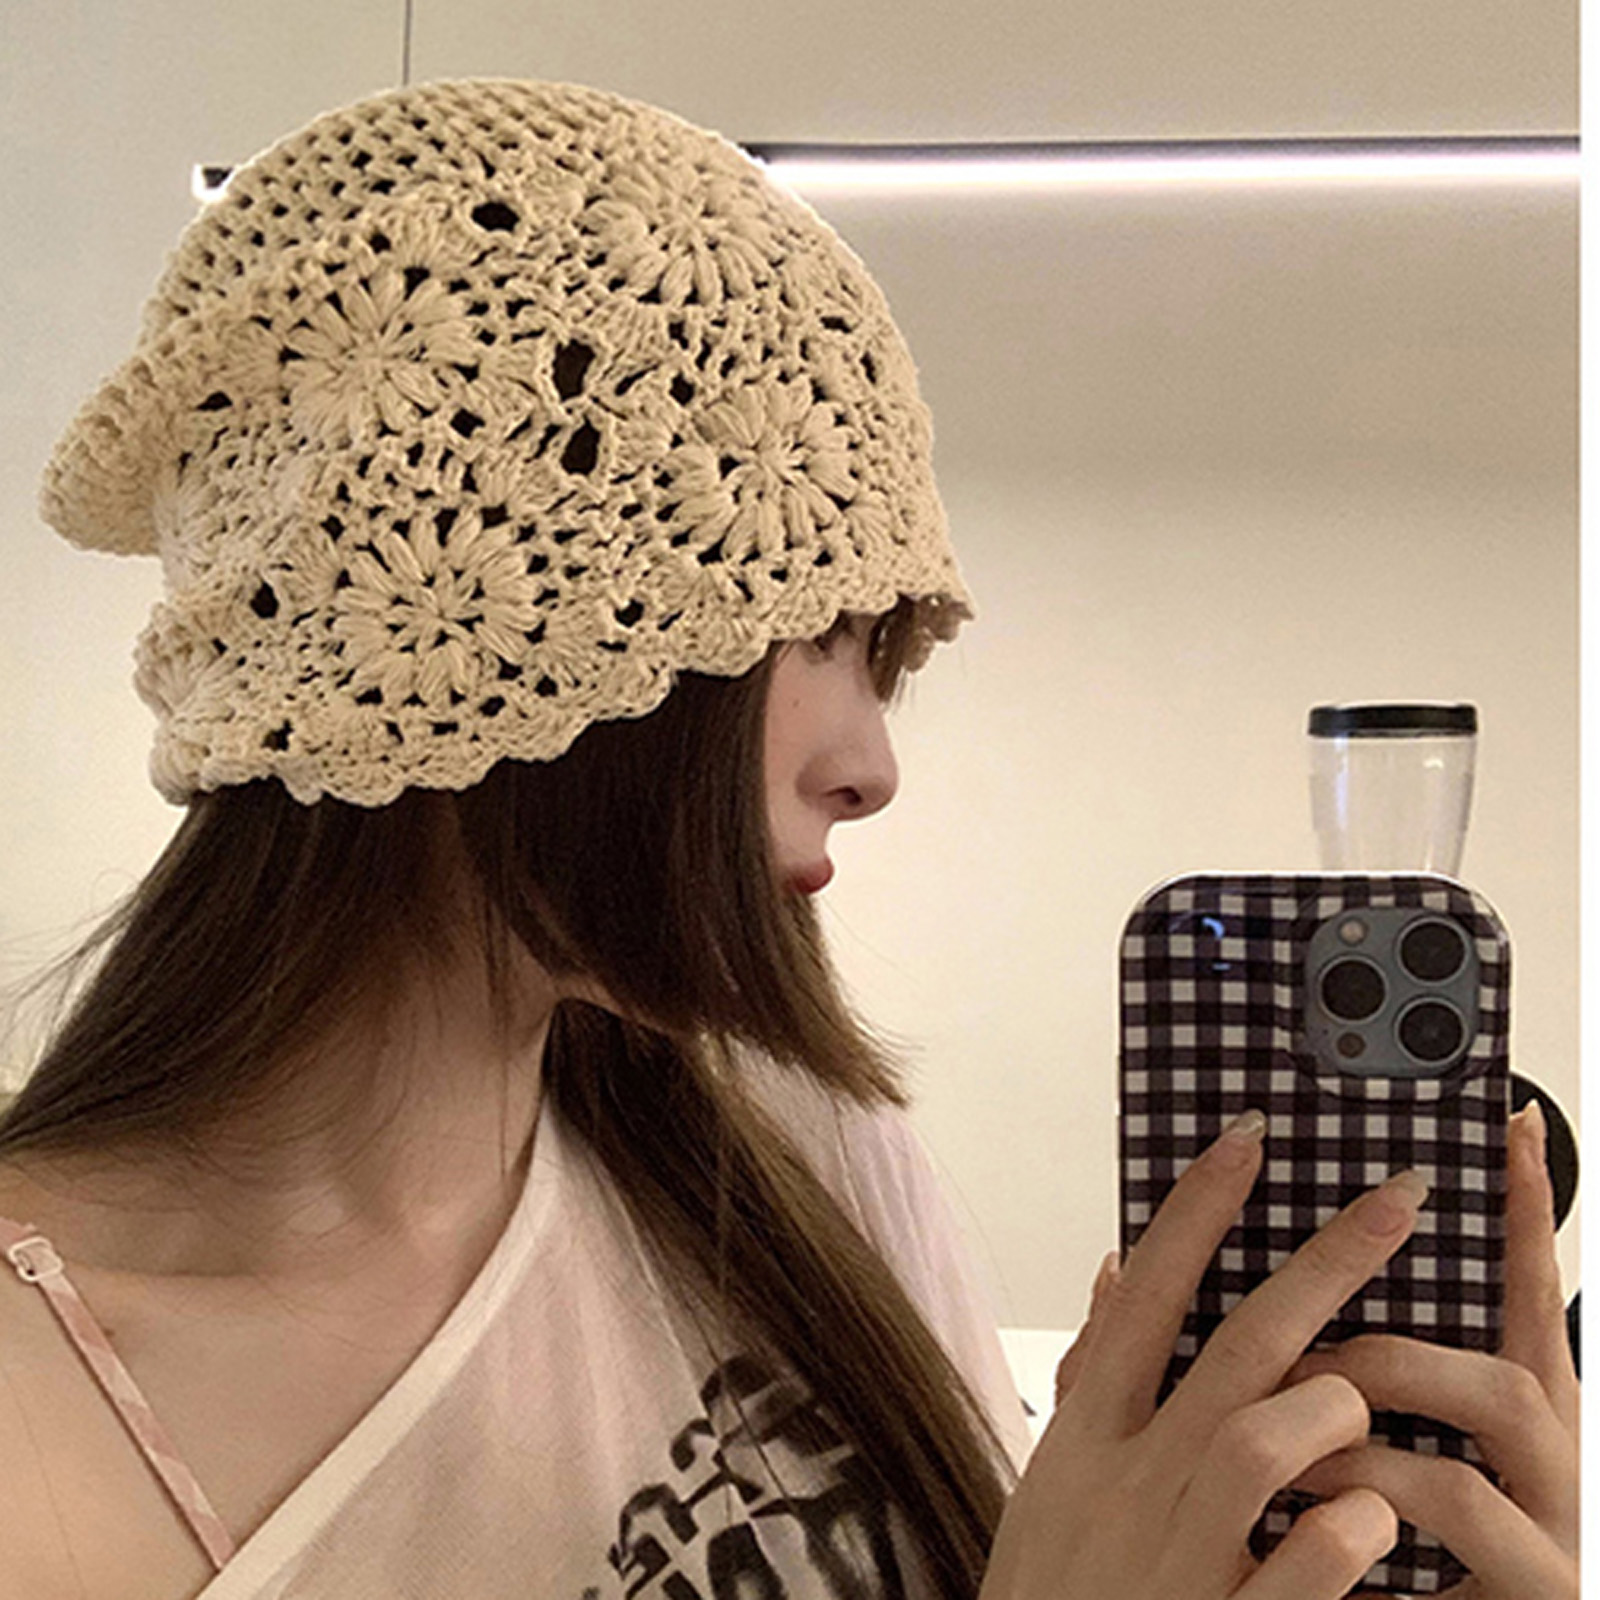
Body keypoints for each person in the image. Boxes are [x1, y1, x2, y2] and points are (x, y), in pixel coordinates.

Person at [0, 78, 1575, 1600]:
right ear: (505, 641)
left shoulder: (800, 1161)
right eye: (817, 637)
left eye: (883, 661)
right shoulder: (44, 1414)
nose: (871, 765)